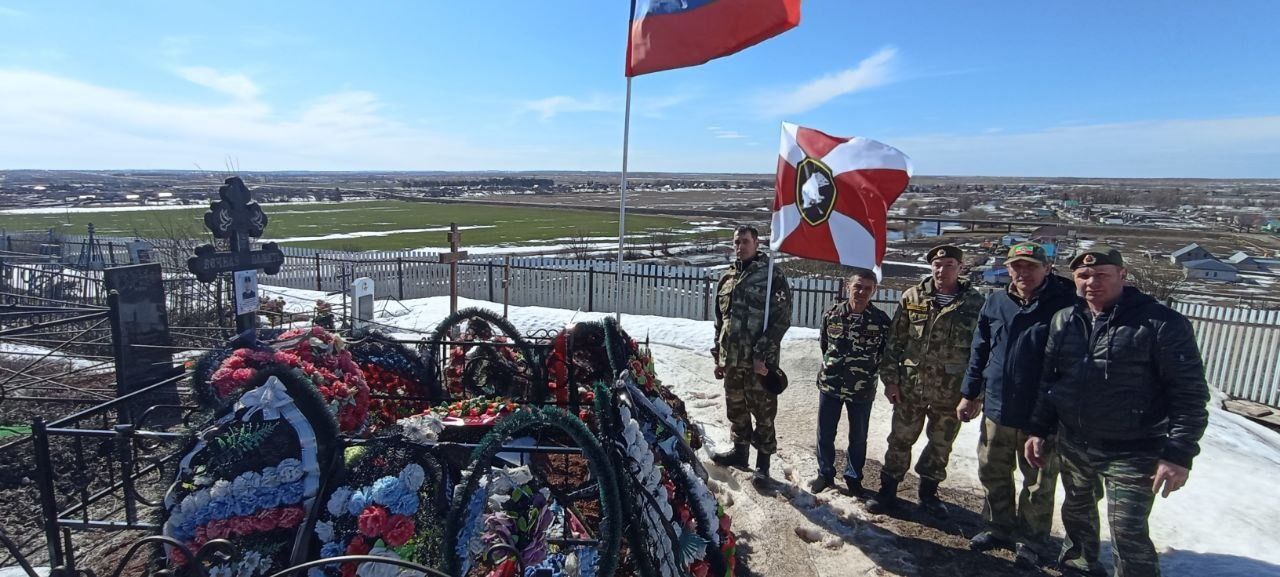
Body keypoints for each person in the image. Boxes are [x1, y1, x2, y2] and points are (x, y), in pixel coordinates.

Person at [1023, 246, 1209, 577]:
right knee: (1077, 516)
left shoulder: (1160, 324)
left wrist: (1178, 454)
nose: (1091, 281)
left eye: (1102, 274)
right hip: (1075, 441)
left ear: (1122, 275)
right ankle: (1079, 567)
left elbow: (1190, 394)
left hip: (1134, 448)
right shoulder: (1064, 320)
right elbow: (1050, 380)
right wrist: (1039, 429)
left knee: (1127, 531)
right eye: (1083, 275)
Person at [957, 242, 1076, 567]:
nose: (1023, 272)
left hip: (1040, 412)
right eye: (1017, 266)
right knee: (992, 469)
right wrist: (970, 393)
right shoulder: (996, 302)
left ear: (1047, 269)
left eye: (1030, 266)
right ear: (1008, 268)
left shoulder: (1065, 306)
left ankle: (1031, 539)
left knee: (1037, 482)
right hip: (997, 406)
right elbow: (980, 349)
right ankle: (999, 527)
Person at [867, 244, 985, 515]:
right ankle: (888, 490)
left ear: (960, 267)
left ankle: (929, 493)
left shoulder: (974, 303)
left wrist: (974, 393)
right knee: (899, 439)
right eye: (937, 265)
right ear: (931, 267)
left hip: (950, 391)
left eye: (949, 265)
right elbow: (894, 343)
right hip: (911, 387)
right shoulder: (913, 297)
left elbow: (982, 352)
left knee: (941, 443)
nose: (942, 270)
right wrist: (891, 381)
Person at [710, 225, 792, 484]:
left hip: (759, 363)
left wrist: (762, 353)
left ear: (757, 244)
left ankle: (764, 465)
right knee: (736, 409)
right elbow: (720, 321)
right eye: (736, 242)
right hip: (732, 360)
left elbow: (782, 319)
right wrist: (718, 357)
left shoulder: (771, 277)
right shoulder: (727, 279)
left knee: (764, 413)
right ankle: (740, 452)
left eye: (745, 241)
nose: (740, 246)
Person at [808, 268, 891, 497]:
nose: (861, 292)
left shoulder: (881, 321)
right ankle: (825, 473)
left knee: (858, 436)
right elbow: (825, 345)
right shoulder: (832, 314)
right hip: (831, 384)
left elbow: (885, 353)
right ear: (848, 287)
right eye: (857, 286)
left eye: (867, 288)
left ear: (874, 290)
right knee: (825, 433)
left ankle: (854, 478)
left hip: (861, 388)